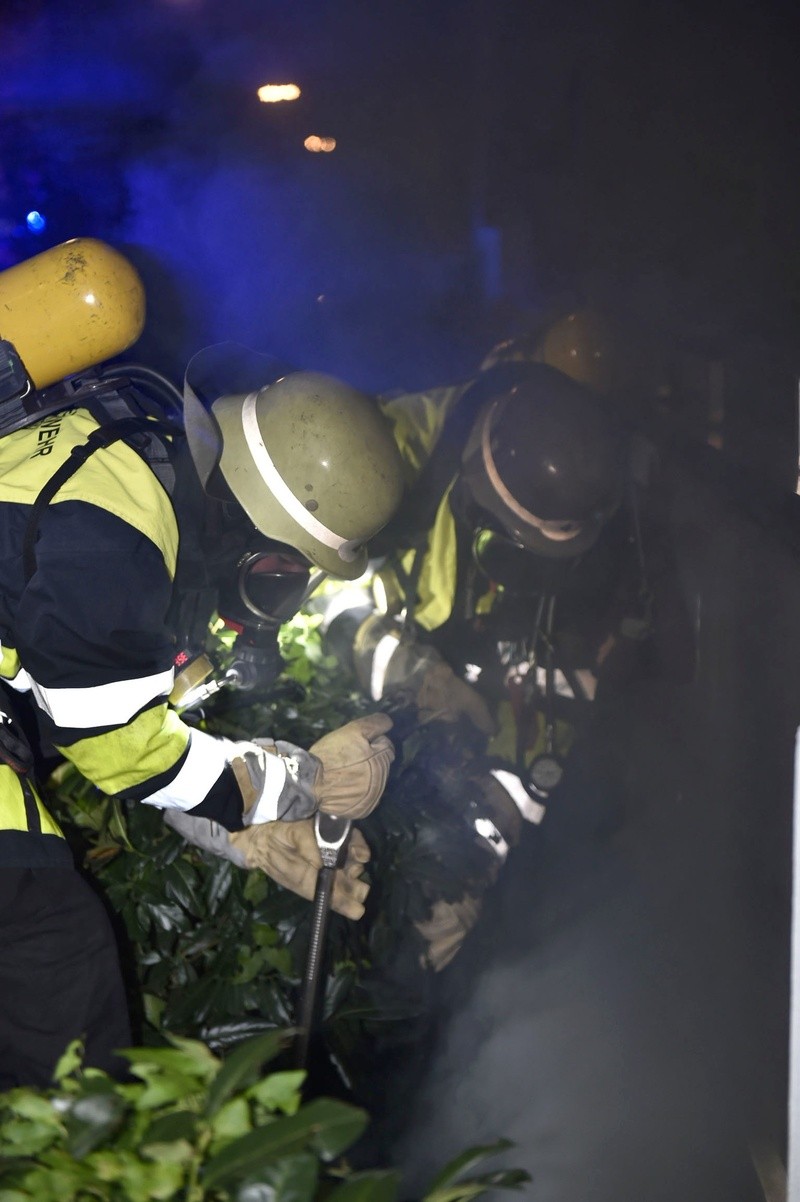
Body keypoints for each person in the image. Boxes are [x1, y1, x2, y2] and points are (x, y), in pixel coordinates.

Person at [0, 237, 404, 1087]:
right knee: (61, 994)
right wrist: (299, 781)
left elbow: (119, 720)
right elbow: (119, 745)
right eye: (281, 572)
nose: (270, 599)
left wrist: (246, 837)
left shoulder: (122, 457)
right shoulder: (121, 528)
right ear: (248, 526)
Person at [322, 310, 695, 974]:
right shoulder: (390, 452)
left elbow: (560, 701)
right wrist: (411, 672)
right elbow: (320, 597)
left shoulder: (604, 509)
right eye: (504, 539)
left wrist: (479, 850)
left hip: (464, 741)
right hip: (346, 711)